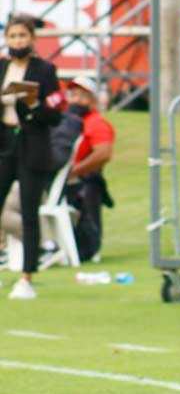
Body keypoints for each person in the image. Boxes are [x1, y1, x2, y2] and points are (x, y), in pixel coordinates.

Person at [0, 16, 64, 300]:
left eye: (22, 36)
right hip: (4, 143)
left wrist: (34, 103)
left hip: (31, 145)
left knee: (29, 212)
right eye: (12, 36)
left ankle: (27, 276)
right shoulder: (2, 67)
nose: (17, 42)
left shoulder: (45, 70)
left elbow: (54, 115)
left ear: (33, 39)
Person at [63, 77, 114, 263]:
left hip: (84, 179)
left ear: (92, 100)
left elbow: (104, 153)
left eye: (82, 96)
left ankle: (86, 248)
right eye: (72, 95)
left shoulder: (96, 123)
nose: (76, 100)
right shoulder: (65, 119)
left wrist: (75, 170)